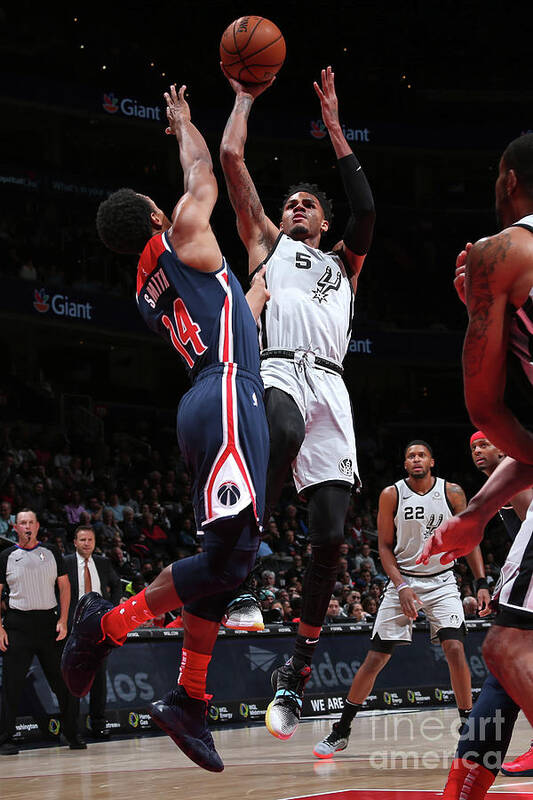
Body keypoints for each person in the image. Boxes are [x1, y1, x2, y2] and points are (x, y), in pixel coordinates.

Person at [61, 84, 269, 774]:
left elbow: (232, 306)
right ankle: (109, 623)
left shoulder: (150, 283)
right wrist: (183, 122)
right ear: (155, 215)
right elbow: (202, 174)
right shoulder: (181, 229)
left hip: (206, 400)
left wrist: (252, 293)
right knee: (230, 562)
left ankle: (191, 695)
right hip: (228, 396)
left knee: (227, 563)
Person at [220, 64, 375, 740]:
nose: (296, 208)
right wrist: (243, 98)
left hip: (333, 385)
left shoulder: (345, 262)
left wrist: (336, 130)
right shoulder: (267, 245)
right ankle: (244, 570)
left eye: (307, 204)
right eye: (290, 203)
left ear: (324, 219)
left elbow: (366, 211)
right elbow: (231, 158)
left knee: (333, 540)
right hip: (278, 366)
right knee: (278, 428)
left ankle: (297, 673)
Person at [420, 136, 533, 797]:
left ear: (509, 179)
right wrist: (479, 512)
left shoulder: (501, 253)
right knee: (507, 655)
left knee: (505, 650)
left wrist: (477, 307)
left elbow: (484, 407)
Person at [313, 441, 490, 759]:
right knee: (375, 660)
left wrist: (480, 582)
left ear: (432, 461)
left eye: (422, 454)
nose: (416, 459)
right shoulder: (391, 494)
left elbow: (470, 538)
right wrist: (402, 586)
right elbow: (383, 547)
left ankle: (469, 732)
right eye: (411, 455)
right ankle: (341, 731)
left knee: (455, 648)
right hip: (403, 581)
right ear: (405, 464)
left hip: (443, 581)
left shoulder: (452, 492)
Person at [0, 509, 85, 755]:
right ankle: (5, 737)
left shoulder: (51, 552)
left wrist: (64, 620)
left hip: (50, 625)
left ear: (37, 526)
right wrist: (0, 628)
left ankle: (70, 733)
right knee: (12, 686)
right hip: (17, 625)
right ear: (15, 528)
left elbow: (65, 587)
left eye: (30, 522)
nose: (26, 526)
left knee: (64, 682)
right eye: (22, 523)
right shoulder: (6, 555)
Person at [63, 525, 121, 739]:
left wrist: (112, 609)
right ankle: (72, 728)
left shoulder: (103, 563)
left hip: (98, 628)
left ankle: (98, 724)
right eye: (82, 539)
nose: (87, 543)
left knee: (99, 679)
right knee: (72, 677)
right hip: (73, 629)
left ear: (94, 542)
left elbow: (117, 585)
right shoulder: (66, 562)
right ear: (75, 542)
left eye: (90, 539)